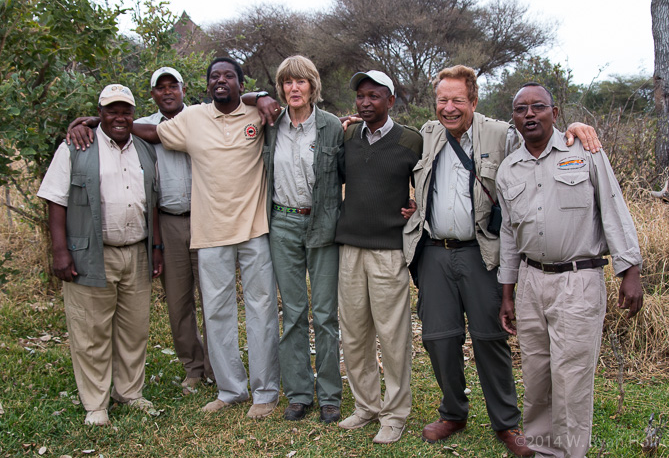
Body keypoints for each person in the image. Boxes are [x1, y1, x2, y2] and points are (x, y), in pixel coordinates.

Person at [67, 58, 283, 419]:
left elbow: (286, 112)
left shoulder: (257, 114)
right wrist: (100, 121)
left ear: (241, 84)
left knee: (261, 310)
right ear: (206, 83)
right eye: (214, 76)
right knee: (216, 313)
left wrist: (262, 96)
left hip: (254, 229)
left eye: (229, 75)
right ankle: (231, 390)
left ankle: (265, 392)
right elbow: (152, 133)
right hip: (210, 231)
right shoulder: (194, 118)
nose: (221, 81)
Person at [403, 65, 601, 456]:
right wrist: (352, 123)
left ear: (473, 101)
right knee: (438, 340)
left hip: (482, 253)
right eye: (443, 99)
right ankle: (454, 412)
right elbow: (388, 139)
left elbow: (539, 134)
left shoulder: (500, 132)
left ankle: (506, 423)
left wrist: (577, 127)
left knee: (490, 339)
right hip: (433, 253)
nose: (449, 107)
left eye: (458, 99)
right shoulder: (425, 136)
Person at [497, 83, 643, 458]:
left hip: (578, 279)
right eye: (521, 109)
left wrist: (630, 270)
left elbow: (613, 207)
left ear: (554, 113)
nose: (529, 114)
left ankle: (571, 453)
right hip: (530, 281)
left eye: (538, 107)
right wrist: (507, 293)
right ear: (513, 119)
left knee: (572, 377)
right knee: (537, 374)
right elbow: (509, 236)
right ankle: (543, 448)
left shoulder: (586, 152)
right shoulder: (509, 169)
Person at [38, 84, 163, 426]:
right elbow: (55, 199)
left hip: (136, 252)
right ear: (100, 113)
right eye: (111, 111)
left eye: (125, 111)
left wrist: (155, 248)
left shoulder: (143, 148)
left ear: (133, 113)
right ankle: (96, 404)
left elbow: (151, 201)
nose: (119, 117)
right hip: (91, 253)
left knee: (134, 329)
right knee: (91, 331)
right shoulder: (77, 146)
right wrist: (60, 251)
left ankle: (130, 392)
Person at [335, 70, 422, 444]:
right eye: (361, 96)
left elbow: (429, 181)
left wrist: (417, 204)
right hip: (351, 247)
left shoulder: (410, 140)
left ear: (391, 100)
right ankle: (366, 406)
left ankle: (395, 413)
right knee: (354, 333)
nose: (366, 102)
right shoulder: (349, 135)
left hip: (389, 251)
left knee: (392, 336)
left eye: (374, 96)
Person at [262, 55, 344, 423]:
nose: (294, 89)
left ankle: (329, 395)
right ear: (280, 88)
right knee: (293, 313)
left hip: (322, 225)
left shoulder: (331, 127)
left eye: (301, 82)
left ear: (313, 87)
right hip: (282, 223)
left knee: (325, 314)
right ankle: (298, 393)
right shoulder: (270, 125)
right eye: (287, 82)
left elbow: (351, 175)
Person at [138, 67, 214, 392]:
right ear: (153, 94)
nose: (167, 92)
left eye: (173, 86)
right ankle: (193, 368)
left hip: (206, 220)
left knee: (213, 297)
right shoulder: (142, 128)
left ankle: (217, 368)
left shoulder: (202, 119)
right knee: (178, 302)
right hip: (169, 222)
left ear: (184, 89)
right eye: (161, 88)